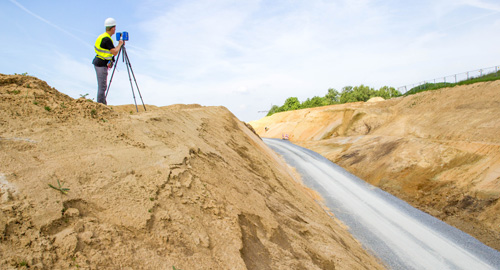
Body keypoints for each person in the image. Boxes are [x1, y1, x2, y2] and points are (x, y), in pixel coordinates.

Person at [92, 17, 124, 104]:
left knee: (102, 86)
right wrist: (120, 44)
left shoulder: (102, 36)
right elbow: (114, 52)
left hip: (100, 62)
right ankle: (101, 105)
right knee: (102, 86)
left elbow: (107, 53)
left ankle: (102, 103)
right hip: (100, 64)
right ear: (113, 28)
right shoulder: (107, 39)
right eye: (115, 28)